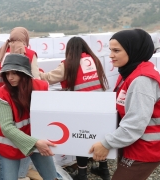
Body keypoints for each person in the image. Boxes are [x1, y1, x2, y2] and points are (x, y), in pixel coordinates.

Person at [89, 29, 160, 180]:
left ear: (133, 50)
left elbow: (135, 123)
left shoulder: (141, 80)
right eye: (110, 50)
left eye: (116, 50)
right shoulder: (128, 73)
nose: (110, 55)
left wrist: (107, 144)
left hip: (147, 147)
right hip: (135, 143)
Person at [39, 36, 110, 180]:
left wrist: (37, 72)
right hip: (101, 106)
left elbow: (47, 78)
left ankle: (82, 174)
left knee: (81, 139)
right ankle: (104, 170)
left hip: (81, 108)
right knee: (100, 137)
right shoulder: (95, 60)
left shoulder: (69, 64)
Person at [0, 54, 58, 180]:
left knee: (52, 177)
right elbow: (7, 128)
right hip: (11, 146)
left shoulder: (40, 87)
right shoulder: (3, 95)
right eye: (7, 73)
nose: (10, 78)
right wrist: (36, 142)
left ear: (25, 74)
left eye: (15, 73)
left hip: (37, 140)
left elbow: (49, 114)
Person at [0, 26, 40, 179]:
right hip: (22, 102)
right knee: (23, 134)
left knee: (7, 136)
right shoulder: (29, 54)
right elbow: (36, 79)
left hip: (2, 101)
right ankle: (21, 174)